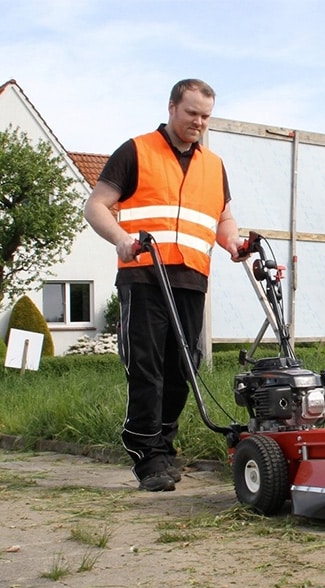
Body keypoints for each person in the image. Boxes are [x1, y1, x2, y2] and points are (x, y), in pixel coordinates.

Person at [84, 78, 244, 492]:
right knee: (147, 367)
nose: (198, 122)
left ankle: (164, 447)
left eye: (205, 116)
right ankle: (147, 456)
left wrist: (233, 241)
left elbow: (222, 217)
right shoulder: (136, 151)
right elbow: (96, 205)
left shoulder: (214, 165)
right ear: (172, 108)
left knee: (181, 370)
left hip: (191, 278)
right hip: (144, 275)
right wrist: (121, 239)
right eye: (192, 113)